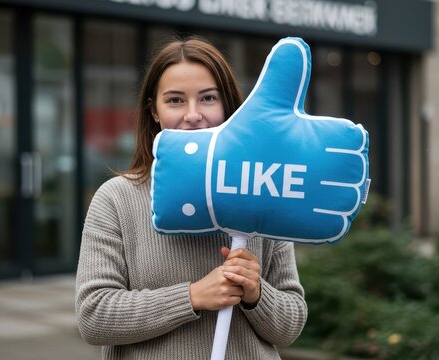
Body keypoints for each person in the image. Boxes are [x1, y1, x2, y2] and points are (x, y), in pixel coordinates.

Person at [75, 36, 307, 359]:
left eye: (208, 98)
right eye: (175, 101)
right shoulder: (116, 200)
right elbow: (93, 315)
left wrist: (256, 293)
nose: (193, 114)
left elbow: (291, 326)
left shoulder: (262, 190)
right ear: (153, 111)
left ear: (228, 106)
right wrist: (193, 296)